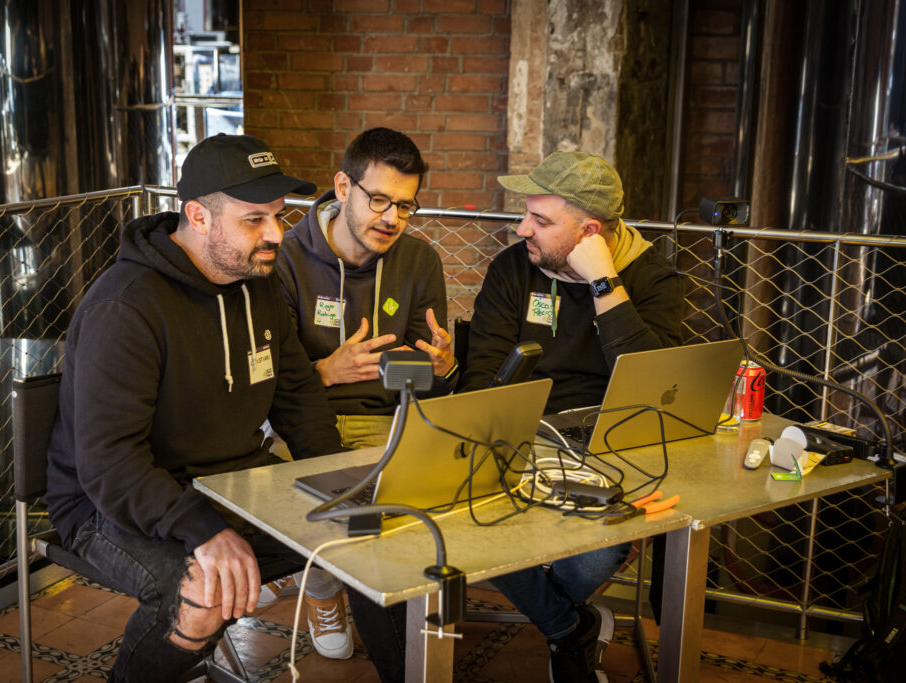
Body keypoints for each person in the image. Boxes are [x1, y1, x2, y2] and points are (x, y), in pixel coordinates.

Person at [44, 134, 358, 682]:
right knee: (203, 596)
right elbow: (109, 463)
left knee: (374, 535)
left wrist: (343, 484)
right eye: (254, 219)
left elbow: (298, 398)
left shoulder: (254, 283)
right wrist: (206, 530)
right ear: (199, 216)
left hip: (231, 480)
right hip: (109, 501)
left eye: (279, 217)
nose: (275, 235)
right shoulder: (125, 306)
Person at [459, 151, 684, 683]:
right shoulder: (514, 268)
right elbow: (481, 376)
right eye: (526, 215)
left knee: (588, 561)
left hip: (612, 449)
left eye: (540, 221)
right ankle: (569, 629)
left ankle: (558, 620)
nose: (521, 229)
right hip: (519, 437)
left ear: (589, 232)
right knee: (469, 526)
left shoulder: (653, 279)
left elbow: (652, 386)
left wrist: (605, 284)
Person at [267, 127, 456, 682]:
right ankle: (326, 588)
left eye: (404, 205)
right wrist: (326, 370)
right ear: (342, 186)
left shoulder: (419, 259)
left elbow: (427, 379)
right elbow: (266, 376)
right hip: (304, 420)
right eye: (378, 200)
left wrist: (443, 366)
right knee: (350, 526)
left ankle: (423, 630)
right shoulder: (286, 257)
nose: (391, 218)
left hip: (389, 422)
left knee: (409, 529)